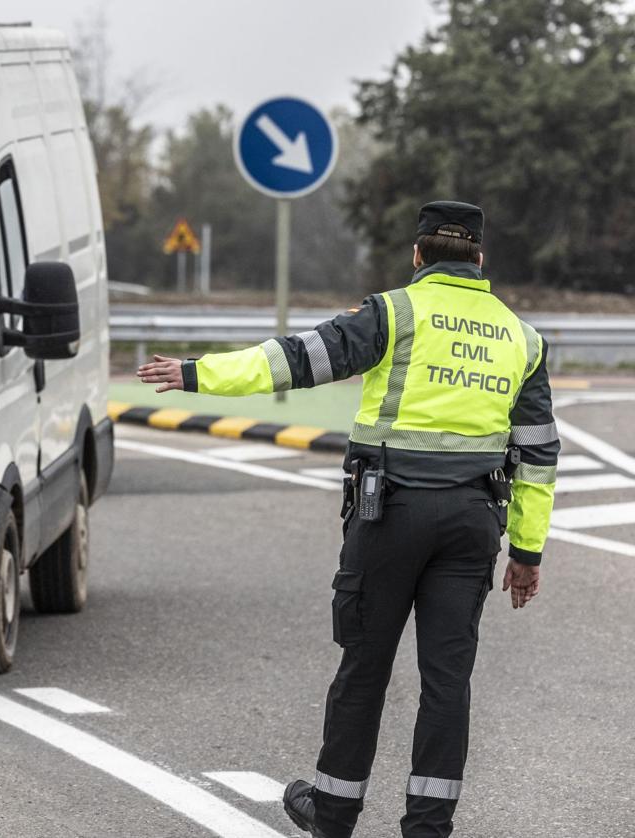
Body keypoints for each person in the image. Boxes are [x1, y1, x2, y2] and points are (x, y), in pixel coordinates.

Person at [137, 202, 557, 838]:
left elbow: (294, 361)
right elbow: (538, 453)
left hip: (390, 515)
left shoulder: (394, 312)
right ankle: (427, 826)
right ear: (480, 259)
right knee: (448, 682)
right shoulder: (521, 337)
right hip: (474, 523)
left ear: (418, 256)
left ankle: (332, 815)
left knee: (365, 666)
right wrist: (527, 553)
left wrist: (196, 372)